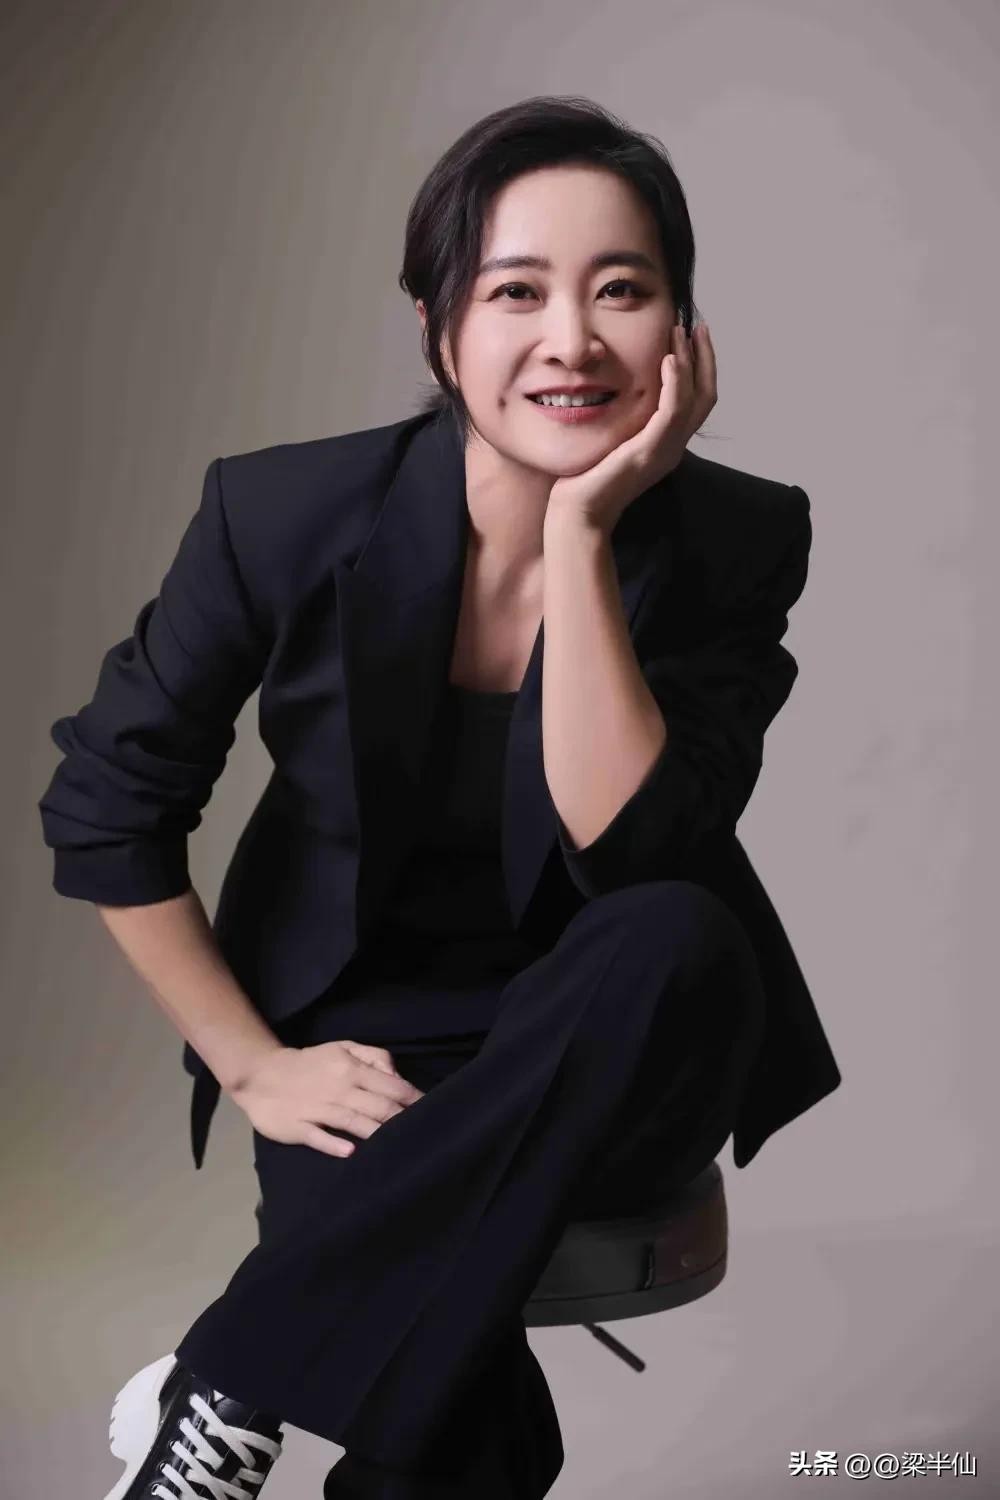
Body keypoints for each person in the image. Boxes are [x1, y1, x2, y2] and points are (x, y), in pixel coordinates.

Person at [37, 95, 841, 1499]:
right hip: (361, 1049)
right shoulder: (282, 516)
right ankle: (259, 1387)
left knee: (673, 930)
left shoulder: (738, 538)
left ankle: (225, 1379)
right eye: (516, 291)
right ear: (436, 325)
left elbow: (634, 848)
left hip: (617, 1044)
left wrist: (582, 533)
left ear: (682, 327)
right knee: (470, 1440)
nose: (573, 339)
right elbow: (108, 806)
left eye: (623, 290)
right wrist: (253, 1065)